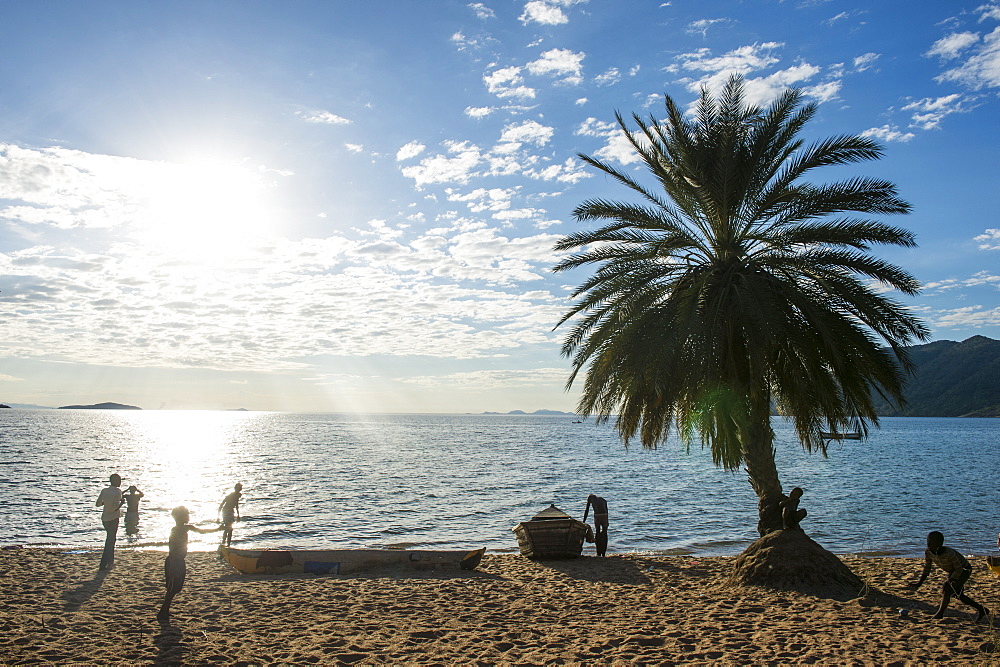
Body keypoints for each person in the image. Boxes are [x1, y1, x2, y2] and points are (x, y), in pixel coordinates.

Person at [157, 506, 222, 620]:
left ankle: (165, 610)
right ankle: (163, 611)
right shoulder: (183, 528)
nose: (188, 516)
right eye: (186, 514)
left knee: (175, 588)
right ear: (181, 517)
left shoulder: (177, 528)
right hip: (175, 561)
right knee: (173, 588)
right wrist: (218, 529)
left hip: (176, 560)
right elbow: (201, 531)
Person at [910, 530, 990, 622]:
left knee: (947, 590)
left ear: (939, 543)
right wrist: (919, 582)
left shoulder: (949, 553)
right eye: (928, 541)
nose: (928, 544)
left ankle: (940, 614)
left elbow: (959, 569)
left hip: (964, 570)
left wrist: (951, 580)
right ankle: (982, 609)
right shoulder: (928, 552)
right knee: (958, 595)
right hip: (953, 571)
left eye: (931, 542)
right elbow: (927, 568)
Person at [95, 473, 125, 571]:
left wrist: (106, 503)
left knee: (111, 539)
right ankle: (104, 563)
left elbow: (98, 504)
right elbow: (114, 508)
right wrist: (122, 503)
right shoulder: (118, 492)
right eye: (119, 481)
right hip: (113, 518)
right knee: (110, 541)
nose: (120, 482)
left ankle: (110, 562)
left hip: (105, 518)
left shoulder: (104, 491)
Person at [218, 483, 243, 547]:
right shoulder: (231, 495)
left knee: (230, 528)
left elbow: (236, 505)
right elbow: (222, 504)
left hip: (230, 512)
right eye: (240, 488)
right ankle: (224, 543)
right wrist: (218, 516)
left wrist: (238, 515)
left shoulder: (237, 495)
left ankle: (227, 544)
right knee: (228, 528)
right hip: (226, 512)